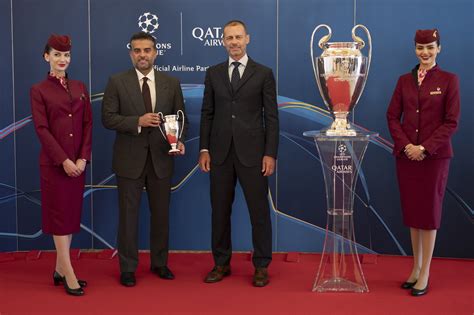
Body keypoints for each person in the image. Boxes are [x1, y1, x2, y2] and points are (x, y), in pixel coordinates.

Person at [102, 31, 186, 287]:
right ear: (131, 54)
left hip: (162, 159)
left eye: (147, 50)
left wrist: (179, 139)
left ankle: (160, 263)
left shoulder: (171, 83)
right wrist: (136, 122)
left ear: (155, 53)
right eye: (137, 51)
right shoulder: (117, 81)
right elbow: (108, 118)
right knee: (128, 217)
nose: (142, 55)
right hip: (129, 161)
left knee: (161, 216)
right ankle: (127, 268)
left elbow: (180, 120)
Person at [199, 20, 279, 287]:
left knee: (259, 212)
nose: (233, 42)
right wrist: (204, 148)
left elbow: (272, 117)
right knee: (219, 212)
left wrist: (270, 153)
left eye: (238, 37)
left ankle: (261, 265)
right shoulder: (213, 73)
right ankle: (221, 263)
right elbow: (207, 113)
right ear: (223, 41)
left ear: (247, 39)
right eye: (229, 38)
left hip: (254, 155)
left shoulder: (264, 73)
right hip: (219, 154)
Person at [386, 29, 460, 297]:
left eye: (430, 47)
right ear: (415, 49)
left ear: (439, 48)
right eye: (420, 47)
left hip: (434, 158)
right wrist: (407, 146)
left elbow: (451, 122)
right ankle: (415, 268)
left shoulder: (449, 80)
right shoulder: (404, 80)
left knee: (428, 215)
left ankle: (425, 271)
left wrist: (424, 148)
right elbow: (393, 116)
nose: (425, 52)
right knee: (413, 214)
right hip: (406, 156)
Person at [30, 34, 92, 296]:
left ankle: (58, 268)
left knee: (70, 216)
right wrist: (64, 160)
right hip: (55, 165)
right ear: (47, 57)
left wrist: (82, 158)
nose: (62, 59)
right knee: (59, 218)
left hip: (77, 163)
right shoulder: (39, 90)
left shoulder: (79, 87)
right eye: (57, 55)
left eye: (66, 55)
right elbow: (42, 129)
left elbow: (87, 124)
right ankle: (69, 272)